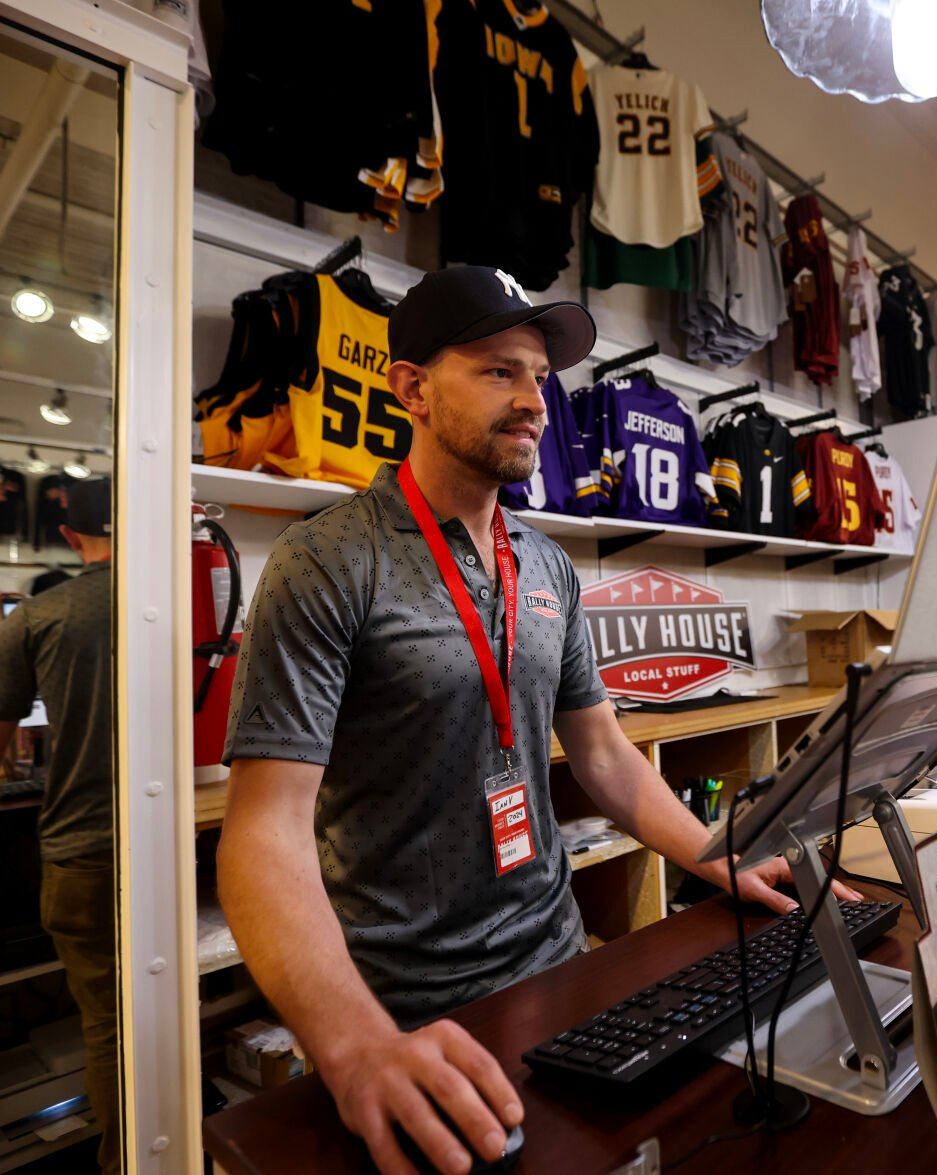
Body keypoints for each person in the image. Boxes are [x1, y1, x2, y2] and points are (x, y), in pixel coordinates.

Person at [216, 267, 858, 1175]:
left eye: (540, 376)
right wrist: (354, 1043)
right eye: (498, 372)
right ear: (411, 389)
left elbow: (603, 755)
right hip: (405, 1004)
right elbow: (263, 832)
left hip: (559, 967)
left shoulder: (545, 565)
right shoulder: (326, 561)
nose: (534, 401)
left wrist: (719, 852)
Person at [0, 476, 117, 1173]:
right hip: (172, 843)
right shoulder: (183, 599)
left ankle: (124, 1157)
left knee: (107, 1025)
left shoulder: (40, 615)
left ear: (70, 536)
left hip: (84, 850)